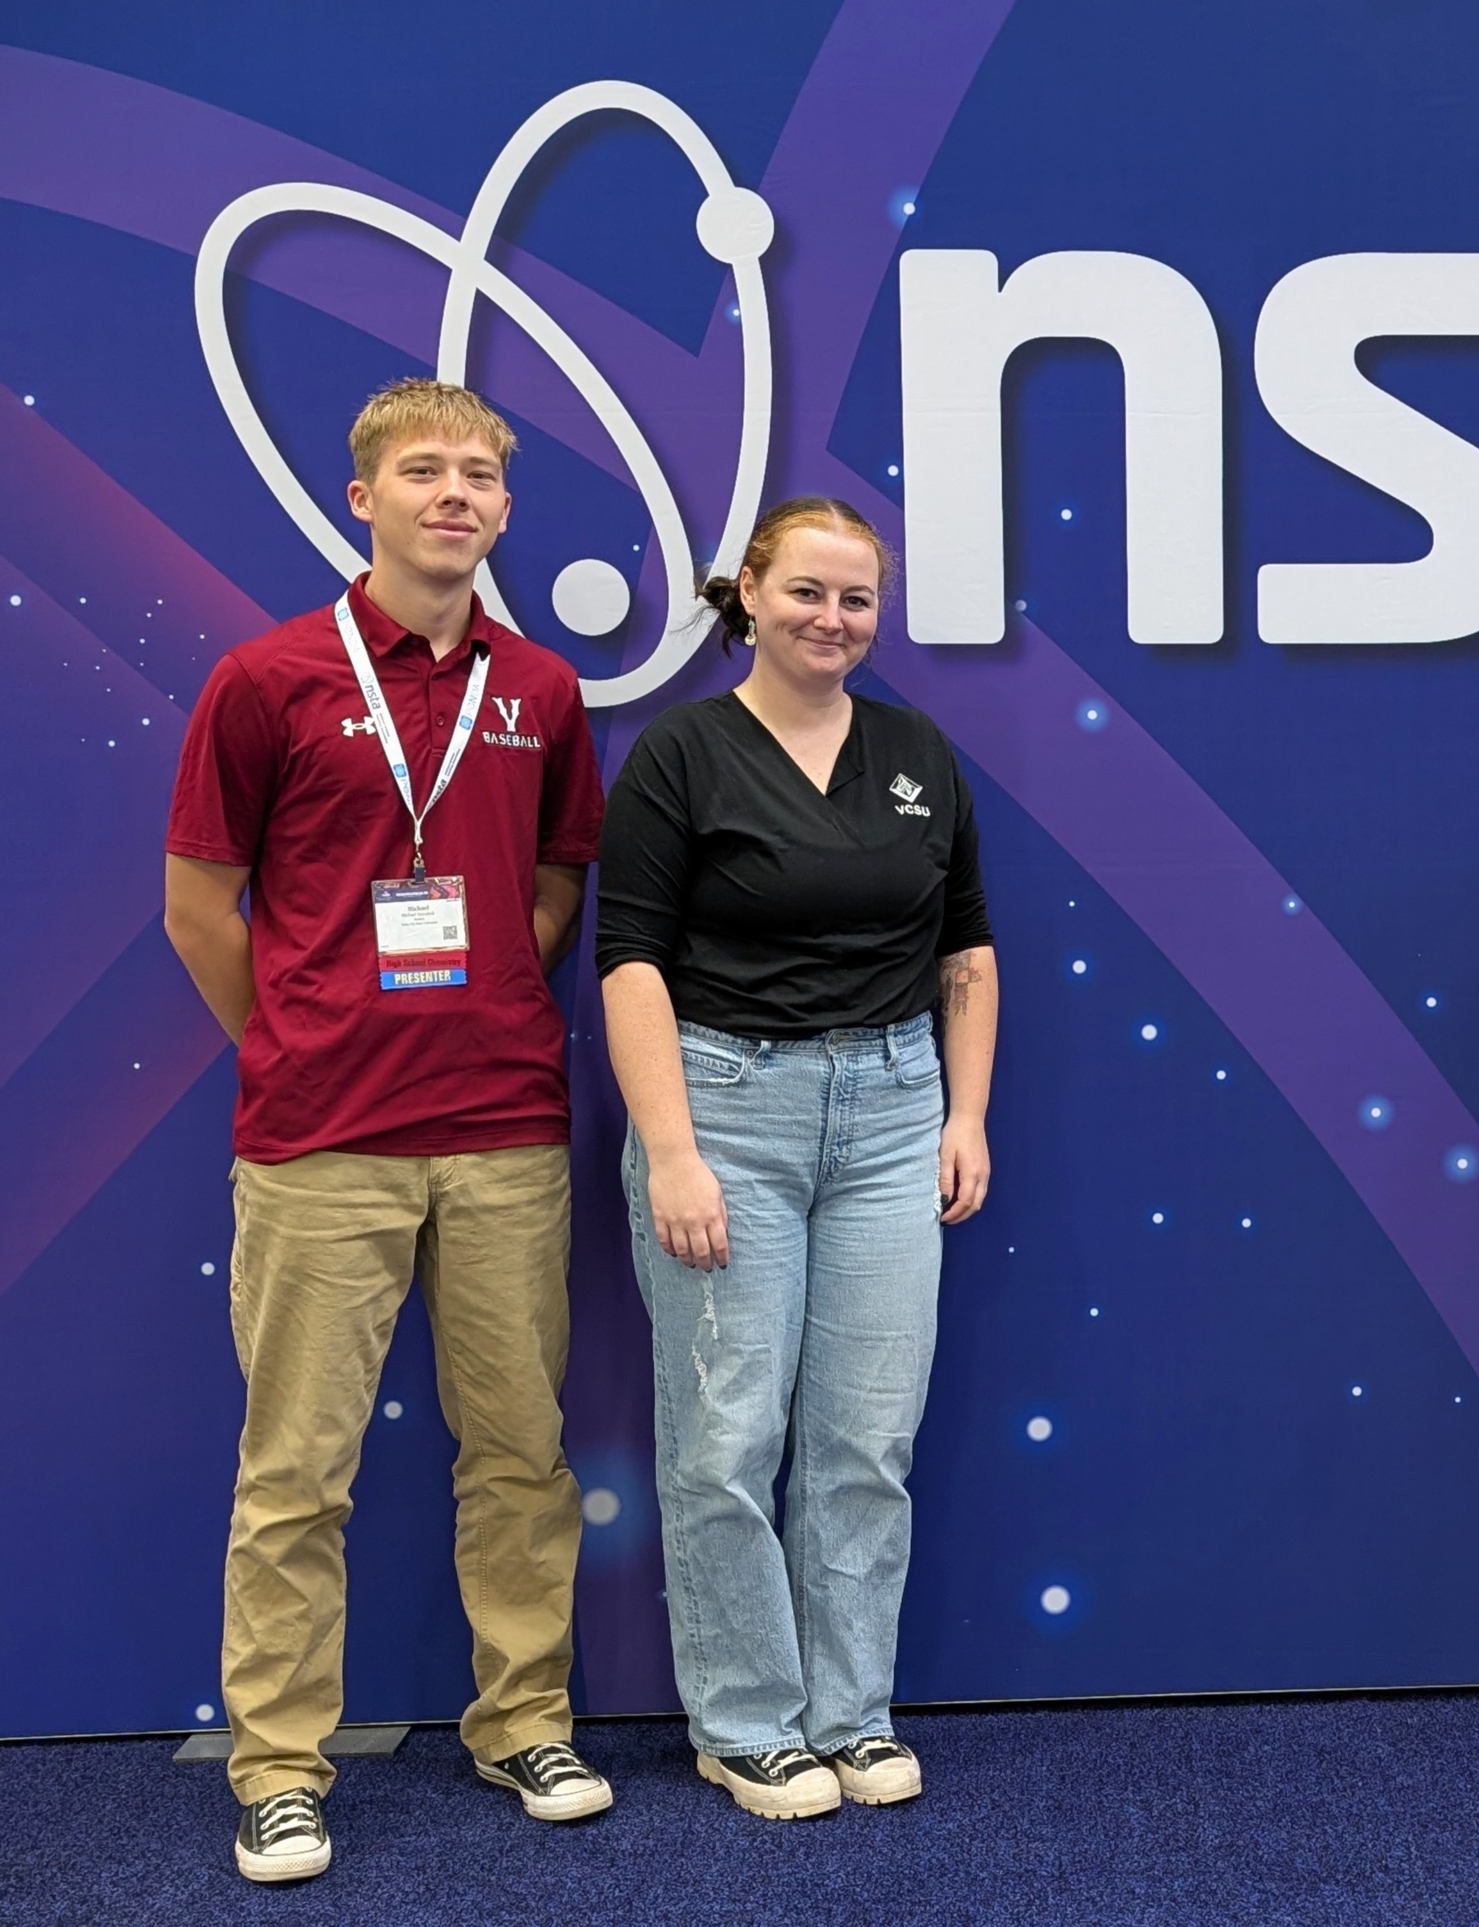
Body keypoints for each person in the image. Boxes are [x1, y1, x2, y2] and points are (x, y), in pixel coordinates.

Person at [163, 379, 613, 1884]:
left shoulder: (541, 690)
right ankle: (280, 1765)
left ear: (504, 508)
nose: (456, 494)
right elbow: (196, 904)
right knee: (296, 1470)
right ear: (362, 497)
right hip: (319, 1142)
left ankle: (526, 1718)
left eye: (481, 474)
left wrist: (478, 1003)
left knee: (522, 1455)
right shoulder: (267, 678)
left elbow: (557, 886)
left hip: (502, 1129)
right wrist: (302, 1032)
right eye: (424, 470)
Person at [596, 496, 997, 1821]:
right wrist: (673, 1155)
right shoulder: (682, 754)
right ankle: (747, 1724)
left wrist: (964, 1113)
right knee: (724, 1440)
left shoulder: (917, 750)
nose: (834, 619)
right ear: (750, 594)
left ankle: (852, 1715)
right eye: (809, 592)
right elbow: (630, 961)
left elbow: (970, 954)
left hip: (893, 1115)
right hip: (726, 1114)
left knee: (865, 1441)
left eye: (858, 600)